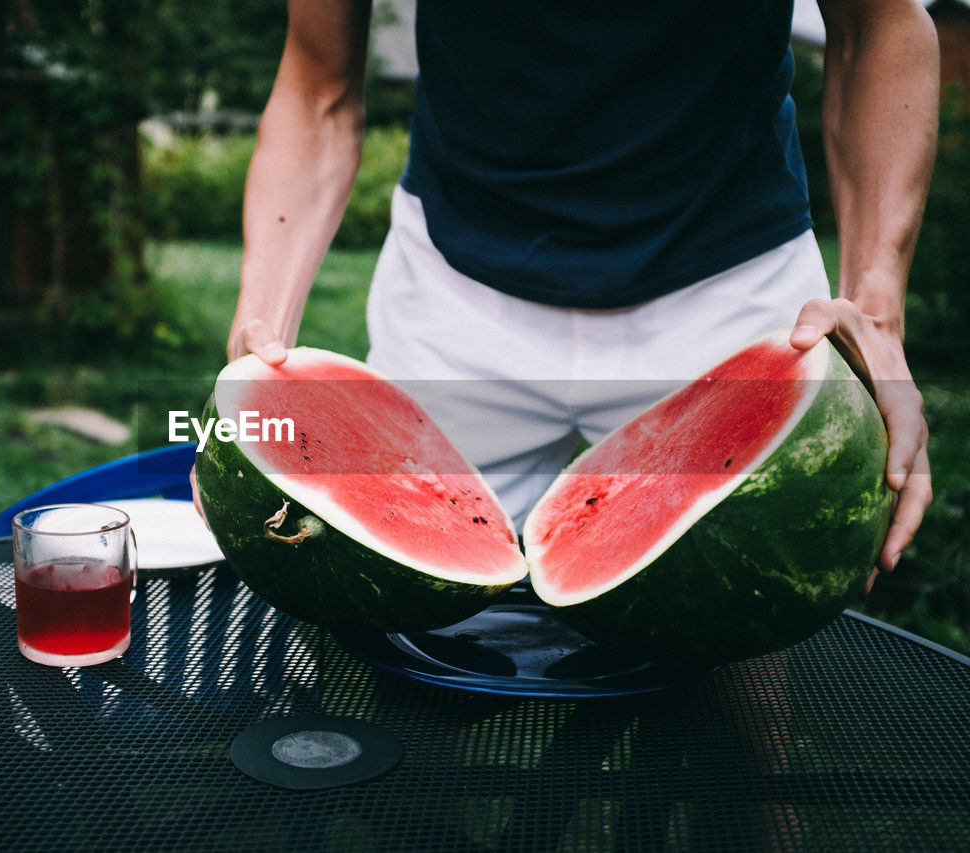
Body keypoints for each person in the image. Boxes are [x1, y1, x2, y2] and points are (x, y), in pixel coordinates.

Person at [221, 0, 936, 590]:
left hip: (729, 283)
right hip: (456, 285)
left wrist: (876, 312)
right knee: (411, 654)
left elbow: (876, 24)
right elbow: (319, 81)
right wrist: (261, 326)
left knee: (736, 657)